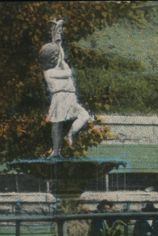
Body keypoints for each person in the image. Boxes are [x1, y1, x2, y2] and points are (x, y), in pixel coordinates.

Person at [39, 20, 91, 157]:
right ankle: (56, 151)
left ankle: (69, 135)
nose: (58, 57)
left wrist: (56, 34)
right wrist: (62, 60)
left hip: (70, 96)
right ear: (51, 59)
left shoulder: (57, 64)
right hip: (61, 97)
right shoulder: (49, 72)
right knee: (57, 124)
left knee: (84, 116)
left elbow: (60, 53)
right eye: (55, 56)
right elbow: (68, 72)